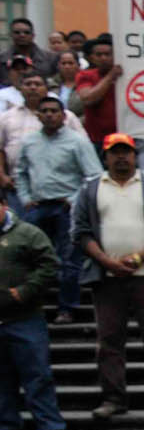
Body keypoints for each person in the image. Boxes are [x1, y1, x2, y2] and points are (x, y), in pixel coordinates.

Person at [72, 133, 144, 418]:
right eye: (114, 152)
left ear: (135, 155)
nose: (121, 157)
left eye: (126, 151)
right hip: (106, 279)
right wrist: (107, 261)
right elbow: (79, 231)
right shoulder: (90, 189)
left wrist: (141, 256)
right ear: (104, 156)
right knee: (109, 342)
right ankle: (113, 399)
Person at [12, 91, 95, 322]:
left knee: (69, 259)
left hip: (66, 207)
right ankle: (29, 305)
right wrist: (25, 197)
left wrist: (75, 200)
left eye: (54, 111)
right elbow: (20, 173)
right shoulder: (29, 142)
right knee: (29, 257)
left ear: (63, 115)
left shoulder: (77, 142)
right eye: (45, 111)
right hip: (37, 207)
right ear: (38, 115)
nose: (49, 115)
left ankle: (66, 307)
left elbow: (93, 175)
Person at [0, 202, 65, 430]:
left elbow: (49, 265)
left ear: (4, 206)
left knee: (37, 374)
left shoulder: (28, 233)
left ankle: (50, 425)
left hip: (25, 318)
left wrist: (26, 291)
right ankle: (7, 426)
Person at [74, 36, 123, 149]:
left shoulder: (125, 75)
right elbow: (88, 98)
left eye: (107, 54)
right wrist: (110, 77)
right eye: (99, 55)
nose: (103, 58)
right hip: (96, 140)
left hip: (124, 137)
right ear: (92, 58)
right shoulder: (85, 75)